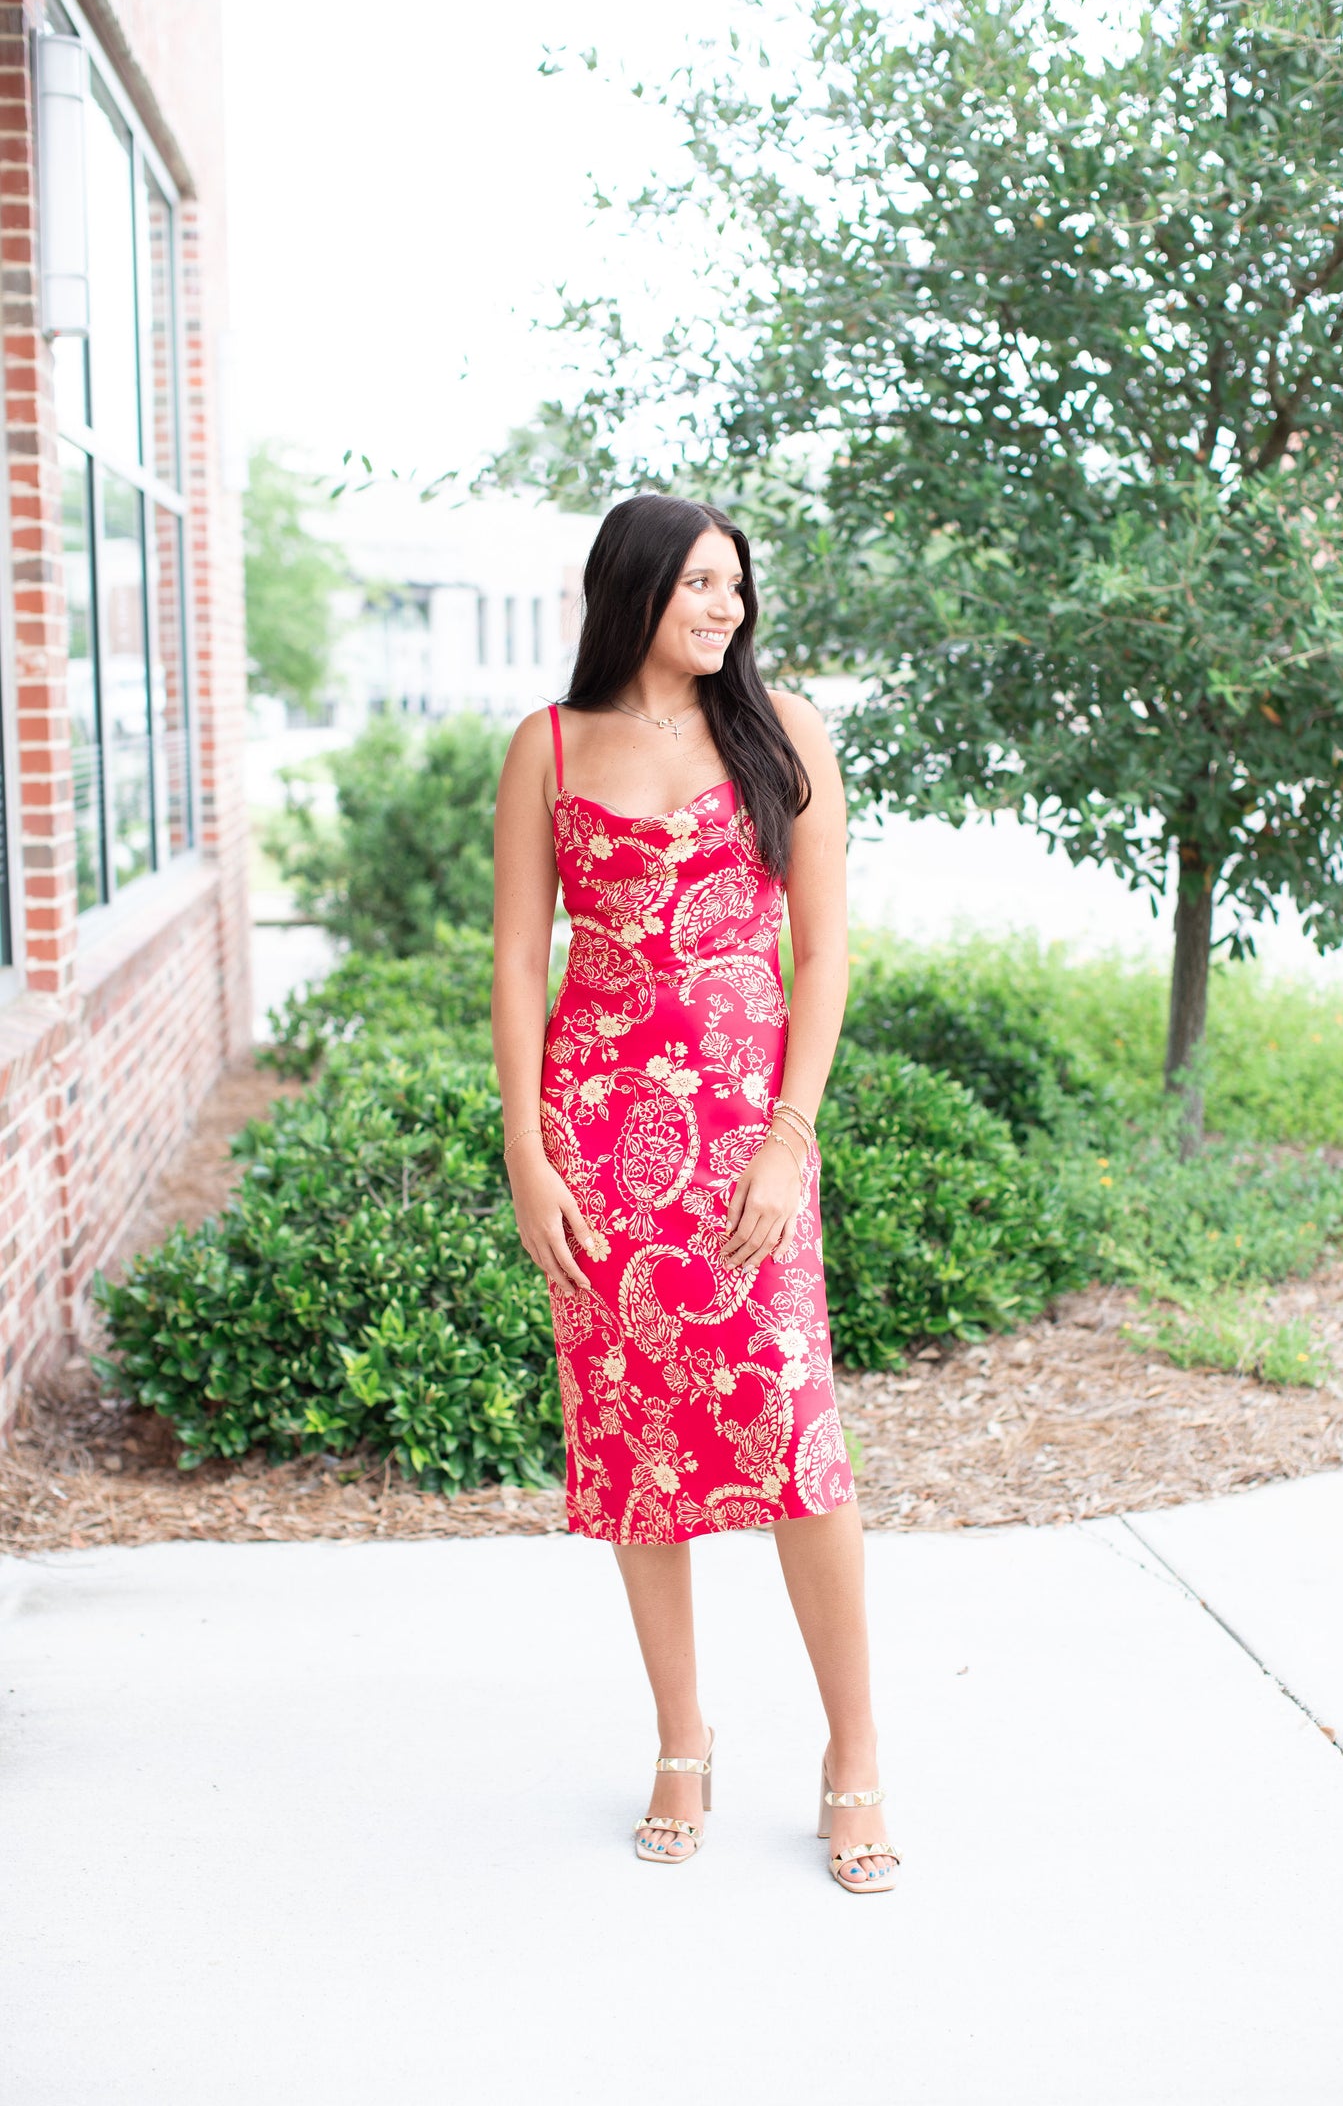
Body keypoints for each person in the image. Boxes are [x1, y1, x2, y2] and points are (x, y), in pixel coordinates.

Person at [491, 493, 900, 1893]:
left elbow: (823, 960)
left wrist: (790, 1136)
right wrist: (526, 1152)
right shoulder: (547, 746)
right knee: (634, 1456)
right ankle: (681, 1741)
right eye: (695, 587)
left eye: (734, 586)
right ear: (634, 593)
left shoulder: (783, 731)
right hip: (598, 1144)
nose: (721, 610)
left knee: (797, 1446)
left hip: (743, 1138)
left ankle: (852, 1755)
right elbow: (516, 967)